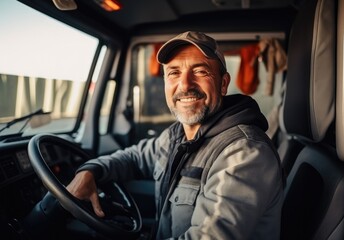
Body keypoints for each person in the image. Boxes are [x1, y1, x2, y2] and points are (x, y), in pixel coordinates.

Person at [67, 31, 284, 239]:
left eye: (200, 71)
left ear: (223, 83)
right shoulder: (177, 136)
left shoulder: (244, 154)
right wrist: (91, 171)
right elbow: (135, 157)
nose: (185, 84)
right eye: (174, 73)